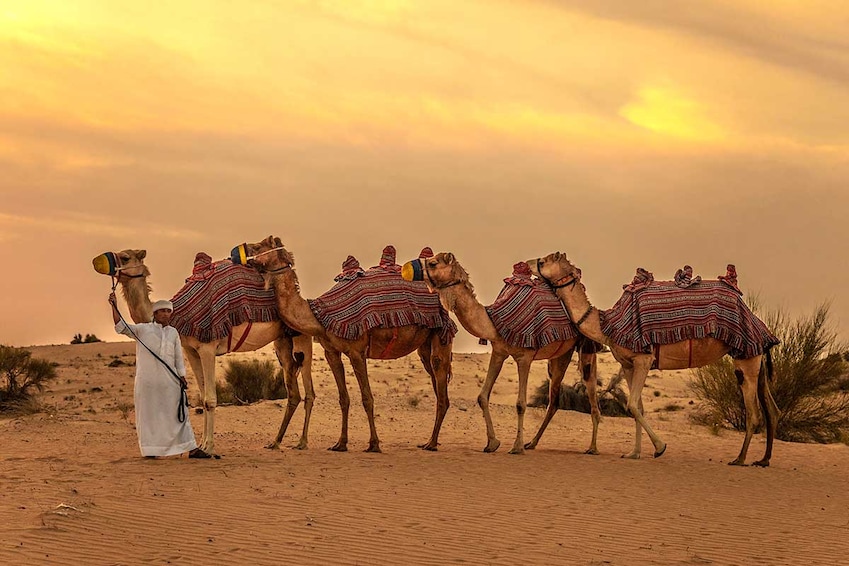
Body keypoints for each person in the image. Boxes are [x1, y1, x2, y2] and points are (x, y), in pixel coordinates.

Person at [108, 292, 210, 459]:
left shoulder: (173, 333)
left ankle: (190, 448)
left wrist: (182, 376)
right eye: (162, 311)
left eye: (168, 311)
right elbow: (121, 327)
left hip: (170, 381)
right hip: (147, 383)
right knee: (149, 416)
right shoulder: (143, 329)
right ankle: (150, 450)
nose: (165, 314)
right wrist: (114, 306)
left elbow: (178, 356)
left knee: (180, 414)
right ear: (154, 314)